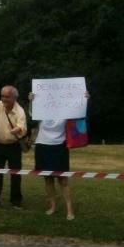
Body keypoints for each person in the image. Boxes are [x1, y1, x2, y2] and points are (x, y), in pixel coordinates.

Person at [29, 91, 89, 221]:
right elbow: (31, 116)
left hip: (59, 146)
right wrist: (31, 101)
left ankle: (69, 209)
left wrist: (85, 100)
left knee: (63, 180)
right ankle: (53, 206)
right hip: (42, 146)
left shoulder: (66, 112)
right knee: (48, 179)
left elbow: (80, 113)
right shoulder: (41, 111)